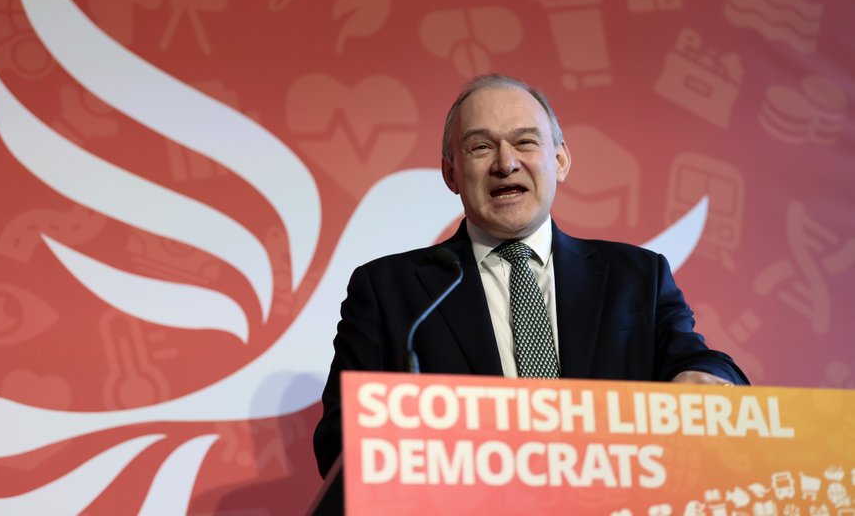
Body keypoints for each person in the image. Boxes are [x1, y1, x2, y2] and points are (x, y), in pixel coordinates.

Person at [312, 73, 749, 478]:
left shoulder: (636, 277)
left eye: (525, 142)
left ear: (559, 161)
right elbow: (337, 441)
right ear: (451, 173)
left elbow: (698, 363)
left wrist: (705, 379)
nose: (505, 163)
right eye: (480, 147)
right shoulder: (391, 291)